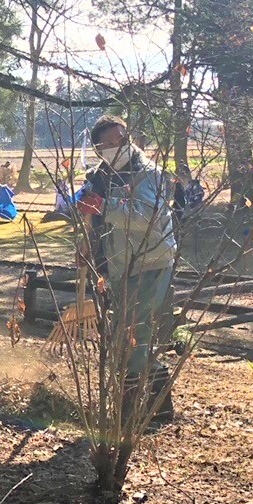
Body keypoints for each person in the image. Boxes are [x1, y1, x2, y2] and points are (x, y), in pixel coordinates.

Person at [75, 114, 177, 420]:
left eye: (121, 138)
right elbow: (92, 218)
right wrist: (87, 245)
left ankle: (136, 413)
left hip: (151, 263)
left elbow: (145, 217)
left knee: (133, 335)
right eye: (108, 143)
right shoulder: (101, 176)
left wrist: (105, 207)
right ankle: (152, 409)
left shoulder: (148, 174)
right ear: (98, 149)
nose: (117, 145)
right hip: (120, 268)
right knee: (126, 335)